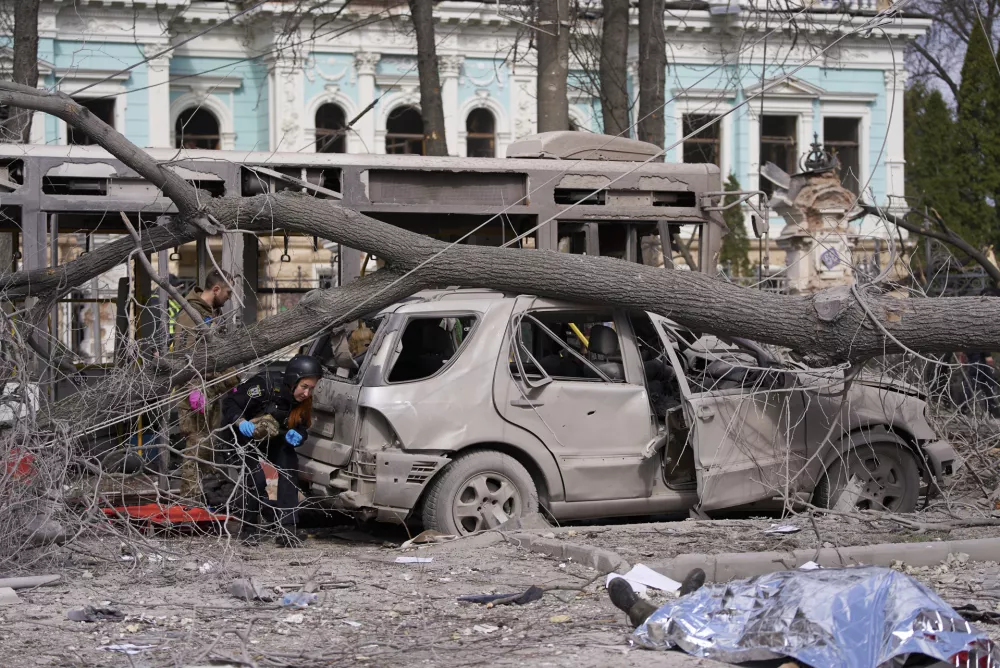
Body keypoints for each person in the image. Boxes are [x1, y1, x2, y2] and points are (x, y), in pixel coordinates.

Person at [222, 354, 323, 547]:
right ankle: (249, 530)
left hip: (274, 440)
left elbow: (303, 426)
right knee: (256, 478)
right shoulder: (264, 386)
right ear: (293, 380)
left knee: (289, 469)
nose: (307, 393)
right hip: (245, 438)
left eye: (311, 388)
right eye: (304, 387)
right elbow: (230, 404)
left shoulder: (303, 401)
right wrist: (241, 422)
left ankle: (287, 531)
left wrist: (299, 435)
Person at [174, 269, 239, 502]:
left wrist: (230, 377)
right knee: (196, 444)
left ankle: (208, 495)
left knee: (208, 444)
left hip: (212, 388)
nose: (230, 297)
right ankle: (190, 499)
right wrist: (193, 388)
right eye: (228, 292)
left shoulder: (214, 314)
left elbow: (219, 353)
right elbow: (185, 355)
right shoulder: (191, 314)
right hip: (195, 390)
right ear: (216, 289)